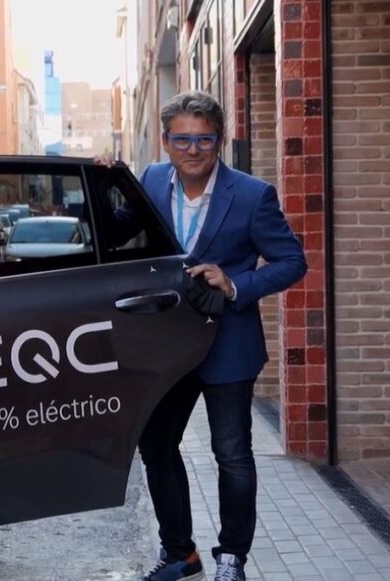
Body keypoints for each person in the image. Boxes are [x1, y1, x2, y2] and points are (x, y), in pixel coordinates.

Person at [98, 91, 307, 581]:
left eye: (204, 139)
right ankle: (180, 554)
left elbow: (292, 261)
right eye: (182, 139)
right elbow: (116, 232)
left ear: (220, 140)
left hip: (228, 342)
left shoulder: (253, 195)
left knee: (231, 454)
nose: (193, 149)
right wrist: (106, 187)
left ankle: (231, 558)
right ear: (166, 142)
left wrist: (235, 284)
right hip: (167, 343)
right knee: (156, 445)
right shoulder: (151, 180)